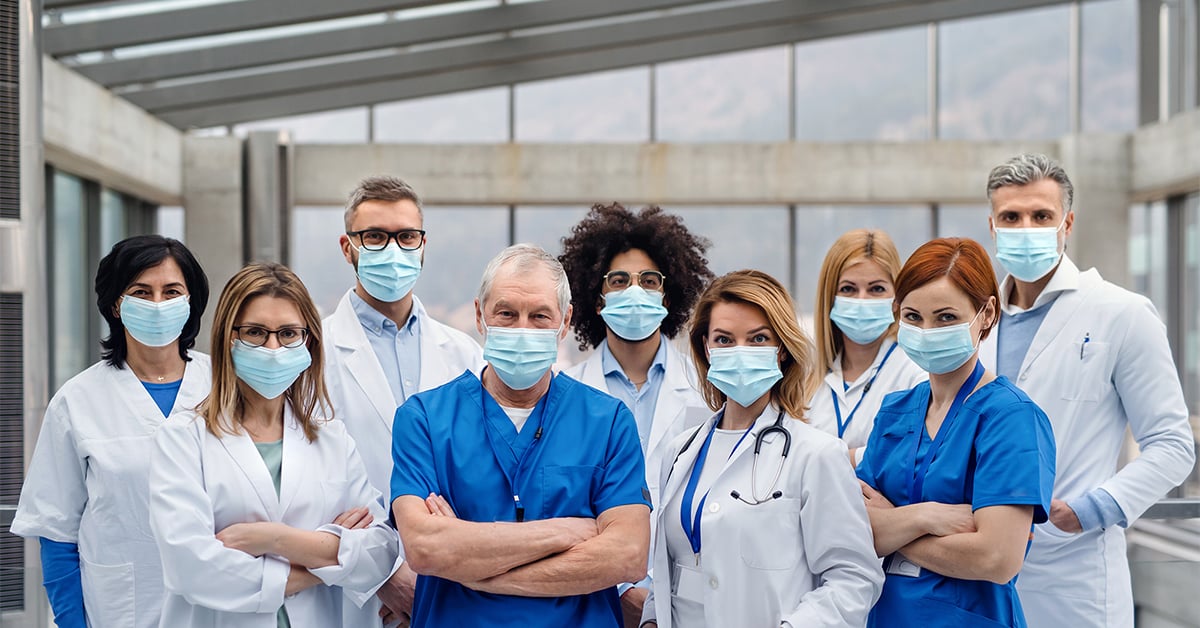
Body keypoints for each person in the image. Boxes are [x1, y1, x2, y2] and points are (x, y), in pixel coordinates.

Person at [977, 153, 1196, 626]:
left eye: (1042, 216)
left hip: (1074, 574)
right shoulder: (976, 323)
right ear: (992, 227)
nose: (1026, 227)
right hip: (977, 570)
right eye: (1011, 217)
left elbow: (1173, 445)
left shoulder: (1122, 314)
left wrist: (1094, 508)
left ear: (1067, 223)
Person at [390, 244, 651, 628]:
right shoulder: (424, 419)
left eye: (540, 316)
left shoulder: (607, 420)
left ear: (565, 322)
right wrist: (567, 531)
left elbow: (627, 555)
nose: (522, 329)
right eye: (507, 314)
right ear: (480, 315)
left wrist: (468, 564)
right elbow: (426, 548)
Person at [149, 262, 400, 627]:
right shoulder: (182, 439)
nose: (272, 347)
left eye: (287, 334)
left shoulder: (332, 439)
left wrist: (274, 539)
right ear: (227, 338)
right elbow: (192, 568)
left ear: (308, 341)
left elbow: (379, 552)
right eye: (254, 332)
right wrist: (327, 562)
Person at [642, 269, 883, 628]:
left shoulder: (816, 453)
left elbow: (855, 578)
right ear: (705, 348)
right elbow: (671, 567)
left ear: (782, 349)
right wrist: (650, 619)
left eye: (757, 339)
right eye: (724, 340)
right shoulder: (680, 452)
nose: (740, 352)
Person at [12, 235, 211, 628]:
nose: (158, 304)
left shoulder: (226, 386)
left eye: (172, 291)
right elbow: (56, 531)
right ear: (116, 304)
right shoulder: (77, 401)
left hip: (218, 608)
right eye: (141, 291)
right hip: (120, 611)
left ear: (190, 303)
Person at [856, 237, 1056, 627]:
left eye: (946, 317)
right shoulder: (895, 410)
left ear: (986, 313)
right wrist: (928, 516)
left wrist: (895, 524)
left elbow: (996, 558)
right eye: (913, 317)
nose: (927, 330)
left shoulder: (1011, 417)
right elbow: (856, 533)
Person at [322, 175, 484, 625]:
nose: (392, 250)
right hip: (356, 588)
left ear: (423, 245)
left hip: (454, 582)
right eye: (374, 237)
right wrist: (383, 576)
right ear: (347, 247)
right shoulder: (314, 352)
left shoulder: (464, 355)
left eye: (406, 236)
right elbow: (306, 479)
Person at [558, 203, 713, 627]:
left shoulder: (708, 389)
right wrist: (623, 588)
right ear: (597, 296)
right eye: (619, 281)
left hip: (685, 597)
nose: (634, 291)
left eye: (648, 281)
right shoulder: (563, 391)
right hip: (592, 596)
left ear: (668, 293)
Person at [808, 229, 926, 465]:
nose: (862, 300)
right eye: (848, 289)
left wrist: (820, 460)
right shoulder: (805, 379)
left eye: (876, 289)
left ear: (896, 300)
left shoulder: (916, 374)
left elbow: (908, 456)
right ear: (829, 297)